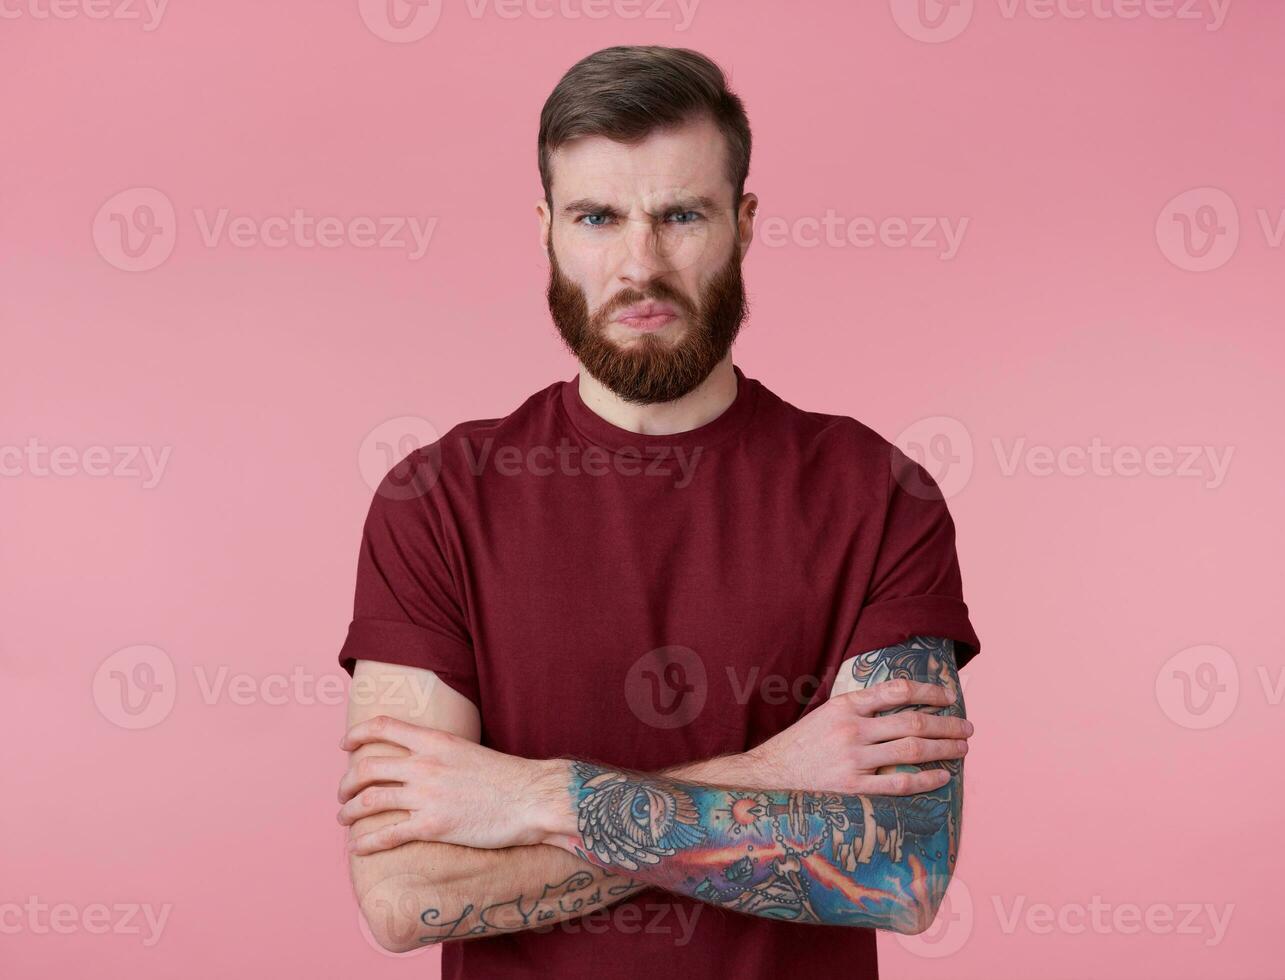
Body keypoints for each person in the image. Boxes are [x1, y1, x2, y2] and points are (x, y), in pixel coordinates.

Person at [335, 44, 980, 980]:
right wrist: (770, 775)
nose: (641, 265)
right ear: (547, 229)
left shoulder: (880, 492)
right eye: (598, 217)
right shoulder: (432, 499)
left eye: (681, 215)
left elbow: (899, 873)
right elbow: (404, 898)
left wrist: (528, 796)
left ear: (744, 223)